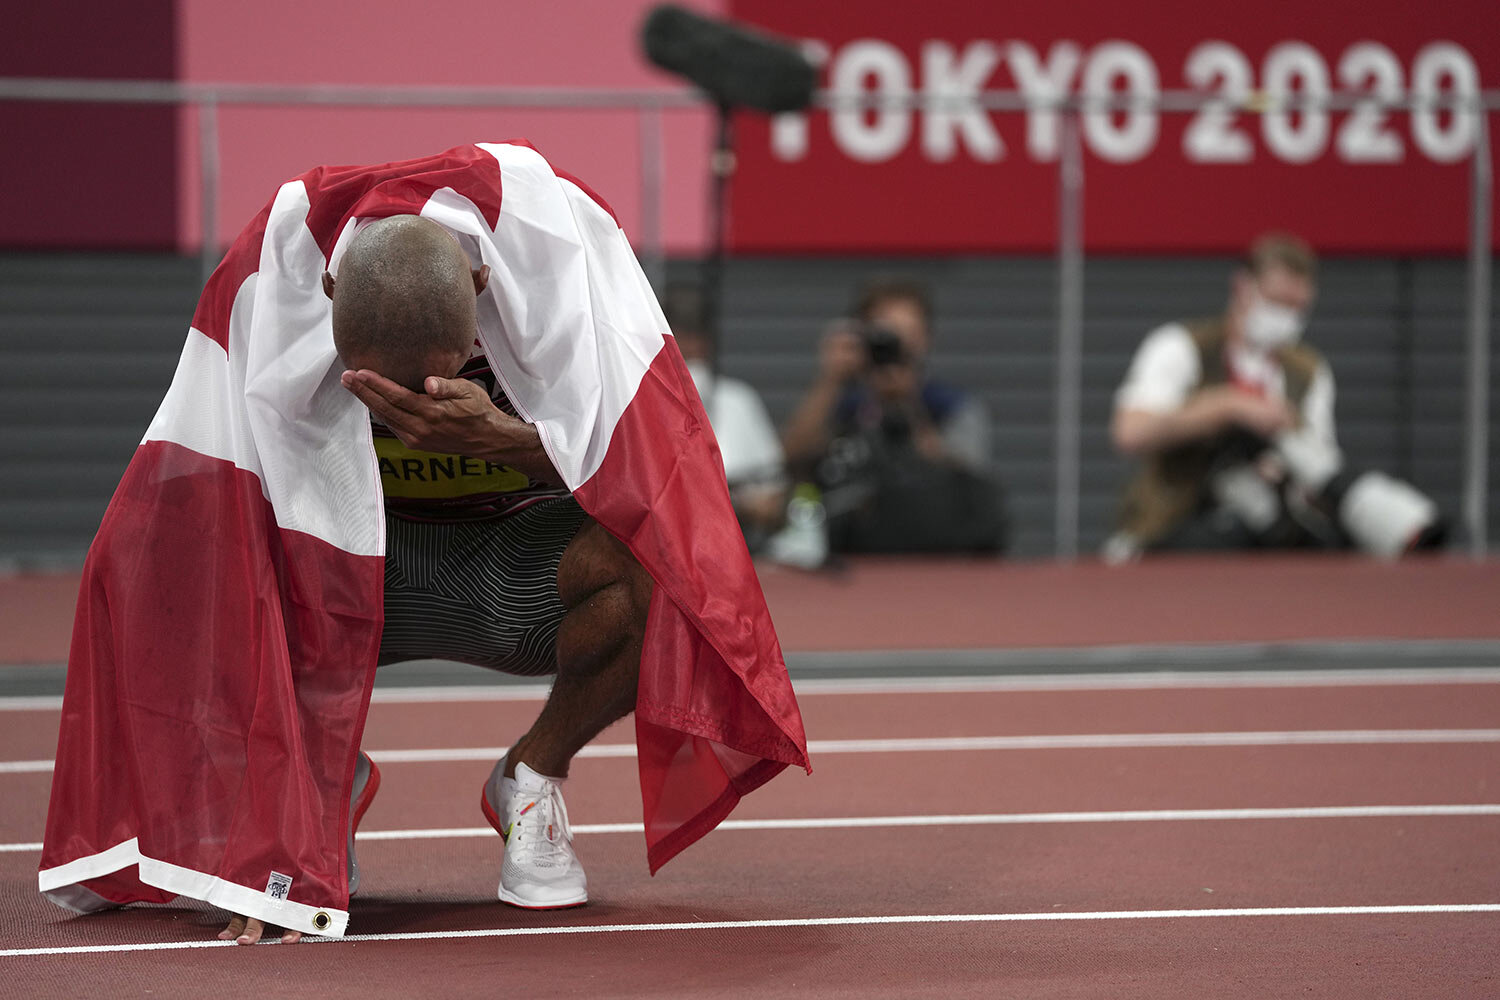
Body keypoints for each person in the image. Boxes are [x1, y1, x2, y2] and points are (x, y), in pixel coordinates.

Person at [40, 143, 808, 946]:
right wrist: (262, 843)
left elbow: (665, 475)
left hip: (524, 562)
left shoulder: (564, 254)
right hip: (359, 571)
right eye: (382, 386)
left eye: (437, 383)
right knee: (181, 567)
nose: (412, 407)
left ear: (482, 286)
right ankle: (313, 786)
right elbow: (189, 505)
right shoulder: (276, 278)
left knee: (669, 563)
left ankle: (532, 775)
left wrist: (510, 441)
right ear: (328, 293)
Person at [1108, 232, 1444, 559]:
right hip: (1175, 528)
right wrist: (1228, 407)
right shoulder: (1182, 347)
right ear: (1243, 287)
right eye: (1277, 302)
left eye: (1298, 308)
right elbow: (1130, 432)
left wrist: (1280, 462)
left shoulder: (1307, 370)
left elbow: (1321, 466)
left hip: (1270, 533)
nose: (1286, 318)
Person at [781, 276, 1004, 553]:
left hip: (938, 552)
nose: (897, 346)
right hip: (850, 550)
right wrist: (830, 380)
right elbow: (791, 458)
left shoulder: (952, 406)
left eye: (909, 334)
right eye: (886, 332)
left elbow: (968, 481)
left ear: (927, 339)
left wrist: (908, 404)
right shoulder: (843, 403)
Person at [660, 282, 788, 552]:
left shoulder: (739, 399)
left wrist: (756, 505)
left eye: (691, 335)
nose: (687, 344)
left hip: (740, 546)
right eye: (678, 334)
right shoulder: (641, 406)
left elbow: (774, 490)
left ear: (706, 341)